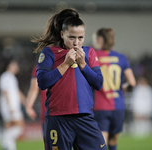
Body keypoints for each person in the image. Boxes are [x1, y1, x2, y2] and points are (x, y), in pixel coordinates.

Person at [32, 8, 107, 150]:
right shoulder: (49, 53)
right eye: (71, 37)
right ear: (62, 34)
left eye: (80, 38)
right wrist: (65, 64)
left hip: (84, 117)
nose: (76, 43)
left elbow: (99, 83)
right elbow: (42, 83)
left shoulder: (89, 52)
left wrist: (83, 64)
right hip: (58, 118)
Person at [93, 28, 136, 150]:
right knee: (113, 141)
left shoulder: (94, 56)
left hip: (101, 106)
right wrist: (124, 86)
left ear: (100, 39)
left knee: (102, 143)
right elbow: (132, 82)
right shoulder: (121, 57)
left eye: (95, 38)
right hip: (118, 106)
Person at [0, 59, 25, 150]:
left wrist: (25, 102)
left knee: (9, 128)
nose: (17, 67)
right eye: (15, 65)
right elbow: (5, 92)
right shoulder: (5, 76)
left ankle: (7, 146)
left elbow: (16, 92)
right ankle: (5, 141)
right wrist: (10, 106)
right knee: (20, 127)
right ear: (10, 65)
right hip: (10, 107)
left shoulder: (12, 77)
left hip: (11, 106)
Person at [25, 66, 46, 131]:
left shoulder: (41, 66)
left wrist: (29, 106)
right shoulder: (70, 63)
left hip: (49, 113)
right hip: (71, 112)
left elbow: (34, 88)